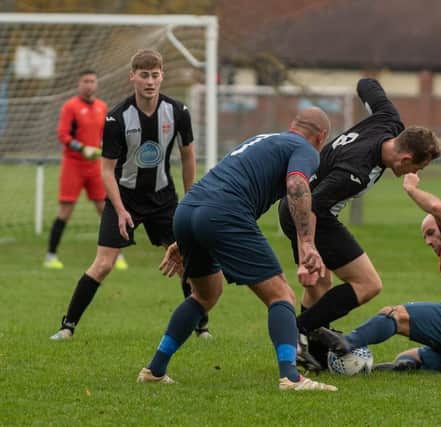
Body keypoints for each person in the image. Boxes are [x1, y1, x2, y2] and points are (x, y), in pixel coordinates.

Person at [137, 107, 338, 392]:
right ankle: (291, 378)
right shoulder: (305, 149)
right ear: (321, 137)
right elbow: (296, 183)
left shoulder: (260, 139)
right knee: (282, 295)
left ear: (293, 124)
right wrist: (307, 242)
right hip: (223, 213)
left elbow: (223, 180)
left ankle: (154, 370)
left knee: (205, 294)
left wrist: (185, 238)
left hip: (188, 210)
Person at [278, 78, 441, 369]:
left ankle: (310, 353)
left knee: (319, 284)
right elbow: (313, 204)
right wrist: (308, 248)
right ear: (405, 158)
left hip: (302, 208)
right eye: (419, 166)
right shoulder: (355, 171)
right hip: (307, 212)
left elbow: (366, 84)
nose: (417, 171)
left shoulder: (389, 121)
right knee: (367, 283)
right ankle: (297, 331)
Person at [50, 48, 209, 340]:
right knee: (104, 264)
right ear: (132, 77)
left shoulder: (177, 112)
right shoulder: (116, 118)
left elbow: (188, 156)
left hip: (164, 199)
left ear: (162, 76)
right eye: (144, 75)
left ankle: (201, 328)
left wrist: (189, 199)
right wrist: (121, 209)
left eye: (155, 75)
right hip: (125, 199)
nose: (150, 81)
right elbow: (107, 169)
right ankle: (67, 326)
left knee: (184, 259)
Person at [315, 172, 441, 373]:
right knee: (406, 357)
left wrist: (411, 189)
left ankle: (346, 342)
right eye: (425, 237)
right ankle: (407, 367)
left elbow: (437, 208)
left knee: (394, 314)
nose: (428, 242)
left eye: (431, 233)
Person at [43, 70, 128, 271]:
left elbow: (104, 135)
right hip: (73, 165)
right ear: (79, 84)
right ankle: (51, 255)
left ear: (96, 84)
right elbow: (63, 135)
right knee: (65, 211)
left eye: (92, 81)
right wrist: (81, 148)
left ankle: (117, 254)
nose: (89, 85)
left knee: (105, 209)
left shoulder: (102, 107)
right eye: (85, 81)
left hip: (95, 167)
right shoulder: (70, 107)